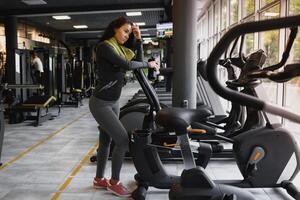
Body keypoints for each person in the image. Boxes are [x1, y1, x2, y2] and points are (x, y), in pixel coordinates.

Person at [89, 16, 159, 197]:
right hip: (100, 104)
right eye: (125, 31)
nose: (127, 35)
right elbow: (128, 65)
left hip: (113, 102)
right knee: (122, 140)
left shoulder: (120, 48)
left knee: (106, 142)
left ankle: (98, 180)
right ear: (115, 29)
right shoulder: (105, 47)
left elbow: (137, 58)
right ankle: (114, 183)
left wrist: (139, 38)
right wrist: (148, 64)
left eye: (129, 32)